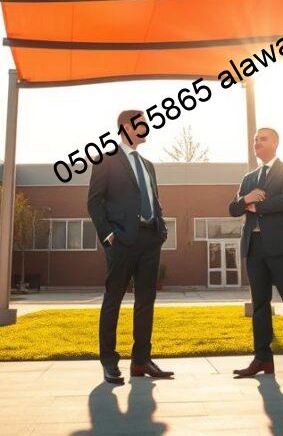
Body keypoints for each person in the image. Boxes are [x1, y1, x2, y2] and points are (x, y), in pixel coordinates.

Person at [86, 110, 173, 385]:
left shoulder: (148, 165)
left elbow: (153, 199)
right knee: (113, 300)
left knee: (146, 301)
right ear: (126, 126)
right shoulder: (106, 159)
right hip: (122, 241)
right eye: (142, 124)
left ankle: (141, 360)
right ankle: (109, 362)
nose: (147, 128)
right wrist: (109, 236)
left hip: (150, 239)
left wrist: (162, 228)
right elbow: (94, 202)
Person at [229, 127, 283, 381]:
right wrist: (247, 199)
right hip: (254, 249)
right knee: (260, 306)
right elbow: (233, 208)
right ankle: (262, 359)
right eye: (255, 139)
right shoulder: (248, 178)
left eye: (262, 139)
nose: (257, 143)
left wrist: (254, 205)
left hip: (281, 246)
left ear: (275, 142)